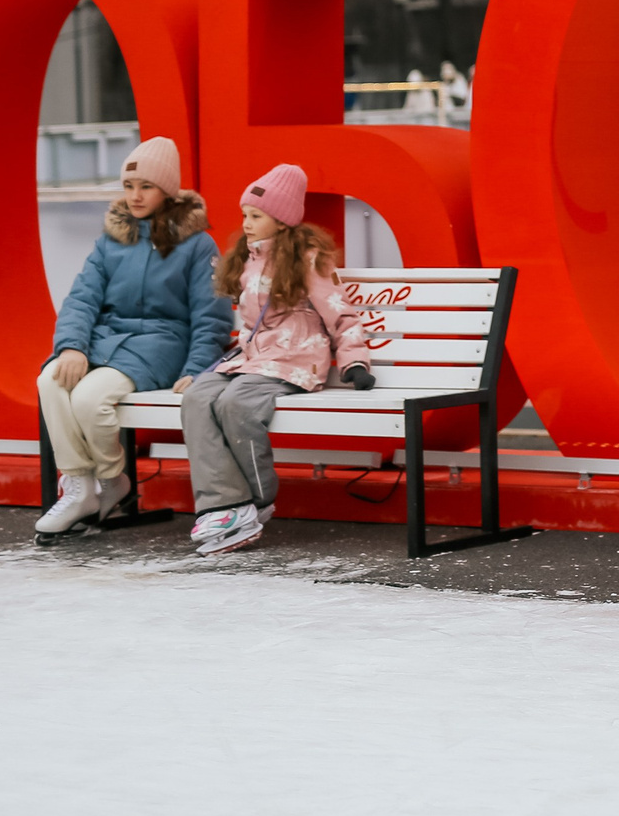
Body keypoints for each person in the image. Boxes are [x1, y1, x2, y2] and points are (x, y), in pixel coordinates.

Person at [34, 136, 230, 541]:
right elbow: (82, 298)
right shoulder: (112, 239)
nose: (135, 196)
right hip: (108, 341)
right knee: (50, 380)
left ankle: (112, 480)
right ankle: (79, 486)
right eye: (128, 186)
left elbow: (211, 314)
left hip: (160, 346)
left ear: (168, 190)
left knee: (90, 399)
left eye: (146, 186)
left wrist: (198, 369)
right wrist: (71, 347)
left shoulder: (197, 243)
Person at [184, 164, 373, 554]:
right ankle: (224, 502)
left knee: (237, 404)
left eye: (256, 216)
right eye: (245, 215)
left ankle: (256, 498)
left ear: (282, 220)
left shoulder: (309, 259)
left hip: (295, 357)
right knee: (199, 397)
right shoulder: (248, 259)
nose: (246, 223)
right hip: (253, 357)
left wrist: (355, 361)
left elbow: (342, 313)